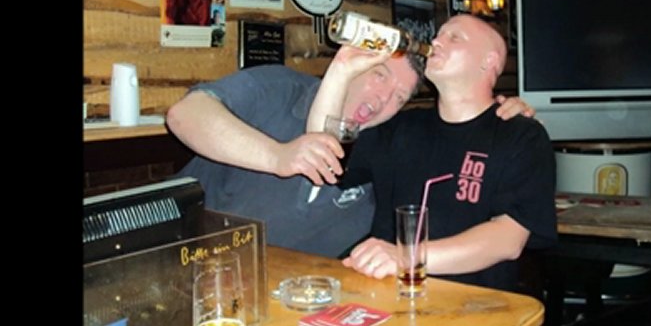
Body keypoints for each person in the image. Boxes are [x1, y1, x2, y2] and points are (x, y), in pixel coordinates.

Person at [166, 45, 535, 258]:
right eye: (379, 75)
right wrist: (277, 156)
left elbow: (455, 157)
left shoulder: (383, 146)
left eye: (400, 96)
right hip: (177, 257)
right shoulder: (283, 88)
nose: (383, 99)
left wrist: (499, 120)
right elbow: (186, 115)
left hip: (285, 296)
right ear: (352, 65)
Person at [337, 14, 557, 291]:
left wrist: (407, 257)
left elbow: (508, 239)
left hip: (473, 304)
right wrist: (341, 69)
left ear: (488, 61)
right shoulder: (400, 127)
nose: (437, 41)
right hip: (385, 295)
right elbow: (327, 155)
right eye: (439, 35)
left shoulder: (522, 136)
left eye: (454, 37)